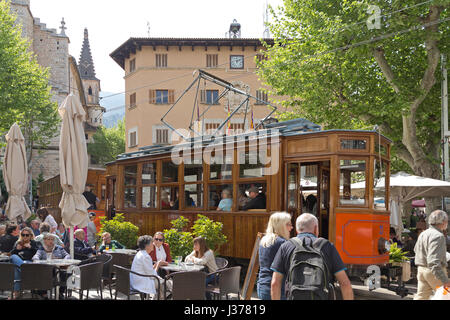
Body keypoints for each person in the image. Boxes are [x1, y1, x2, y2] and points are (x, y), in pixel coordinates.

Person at [271, 213, 354, 300]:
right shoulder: (327, 246)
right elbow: (345, 283)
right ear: (315, 229)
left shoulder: (286, 246)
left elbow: (275, 283)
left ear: (296, 229)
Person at [413, 210, 449, 300]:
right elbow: (433, 261)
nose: (447, 223)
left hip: (421, 270)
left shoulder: (423, 234)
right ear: (443, 222)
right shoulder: (438, 236)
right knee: (446, 295)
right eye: (447, 221)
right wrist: (445, 280)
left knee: (421, 297)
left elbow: (415, 250)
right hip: (433, 271)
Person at [257, 212, 293, 300]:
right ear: (281, 226)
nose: (291, 227)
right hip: (277, 290)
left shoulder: (264, 240)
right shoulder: (282, 243)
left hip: (262, 286)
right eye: (288, 224)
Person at [130, 235, 171, 300]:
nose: (153, 244)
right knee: (167, 285)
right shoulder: (146, 256)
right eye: (152, 242)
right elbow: (152, 276)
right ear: (147, 246)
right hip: (142, 283)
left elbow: (145, 270)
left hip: (137, 280)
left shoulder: (140, 253)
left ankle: (157, 298)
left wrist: (154, 265)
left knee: (165, 283)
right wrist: (158, 264)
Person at [9, 227, 38, 299]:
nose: (25, 236)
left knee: (16, 269)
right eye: (23, 234)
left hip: (30, 263)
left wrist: (30, 247)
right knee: (14, 257)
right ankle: (25, 271)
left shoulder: (34, 243)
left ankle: (16, 294)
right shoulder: (18, 243)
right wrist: (16, 249)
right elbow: (11, 254)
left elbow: (38, 253)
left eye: (27, 235)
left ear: (31, 236)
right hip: (21, 264)